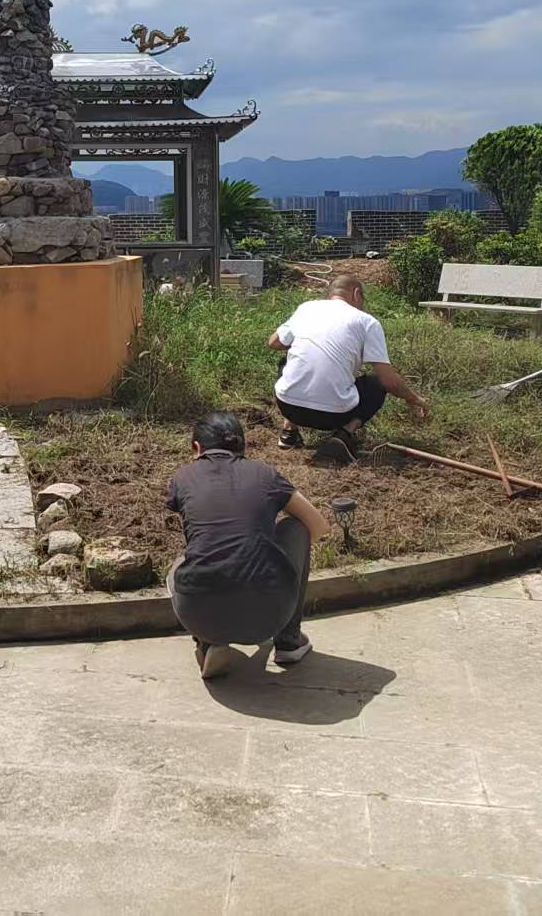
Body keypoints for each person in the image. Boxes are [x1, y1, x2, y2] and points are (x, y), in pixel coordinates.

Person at [165, 412, 331, 679]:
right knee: (296, 528)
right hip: (271, 613)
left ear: (196, 448)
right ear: (242, 447)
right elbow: (318, 526)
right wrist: (279, 556)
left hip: (199, 613)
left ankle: (208, 642)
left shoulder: (183, 477)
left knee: (181, 565)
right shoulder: (264, 474)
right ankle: (288, 641)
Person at [270, 274, 429, 465]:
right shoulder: (367, 322)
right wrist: (415, 399)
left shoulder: (307, 308)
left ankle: (289, 431)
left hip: (288, 407)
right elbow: (389, 381)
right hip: (333, 417)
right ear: (356, 294)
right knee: (376, 384)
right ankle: (344, 435)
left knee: (286, 362)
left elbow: (274, 343)